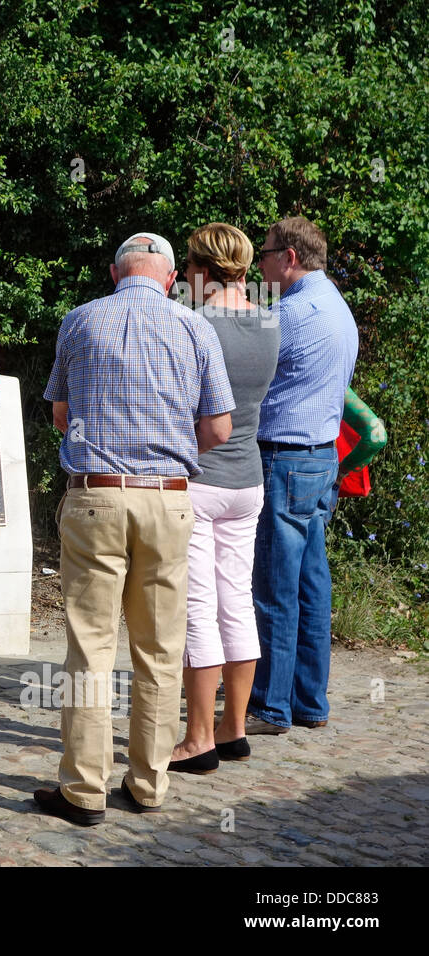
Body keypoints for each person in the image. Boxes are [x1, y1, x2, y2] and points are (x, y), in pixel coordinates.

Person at [34, 232, 234, 825]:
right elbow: (219, 427)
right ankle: (148, 782)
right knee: (160, 649)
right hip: (169, 501)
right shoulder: (197, 327)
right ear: (171, 278)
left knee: (89, 650)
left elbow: (60, 414)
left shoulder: (80, 321)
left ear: (114, 271)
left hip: (96, 497)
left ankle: (83, 791)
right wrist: (172, 455)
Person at [168, 224, 279, 774]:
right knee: (237, 602)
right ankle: (234, 730)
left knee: (197, 610)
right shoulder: (268, 321)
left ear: (201, 270)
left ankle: (197, 739)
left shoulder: (194, 323)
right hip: (248, 477)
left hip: (200, 476)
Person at [246, 216, 359, 735]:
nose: (260, 263)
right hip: (321, 459)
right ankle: (310, 700)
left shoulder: (289, 314)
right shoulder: (338, 307)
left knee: (275, 587)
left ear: (289, 257)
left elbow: (249, 380)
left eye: (266, 253)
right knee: (313, 585)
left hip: (284, 459)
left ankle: (270, 703)